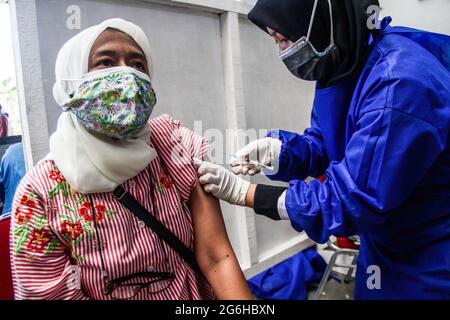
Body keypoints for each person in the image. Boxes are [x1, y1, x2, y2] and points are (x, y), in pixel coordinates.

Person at [195, 0, 450, 299]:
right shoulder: (345, 64)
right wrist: (281, 154)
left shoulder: (400, 84)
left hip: (430, 257)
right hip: (384, 247)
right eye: (276, 41)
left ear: (321, 20)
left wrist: (249, 195)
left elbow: (354, 198)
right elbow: (326, 143)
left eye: (285, 39)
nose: (283, 52)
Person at [10, 18, 252, 300]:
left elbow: (216, 259)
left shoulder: (174, 146)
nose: (127, 76)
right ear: (71, 80)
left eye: (138, 65)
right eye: (106, 62)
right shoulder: (38, 194)